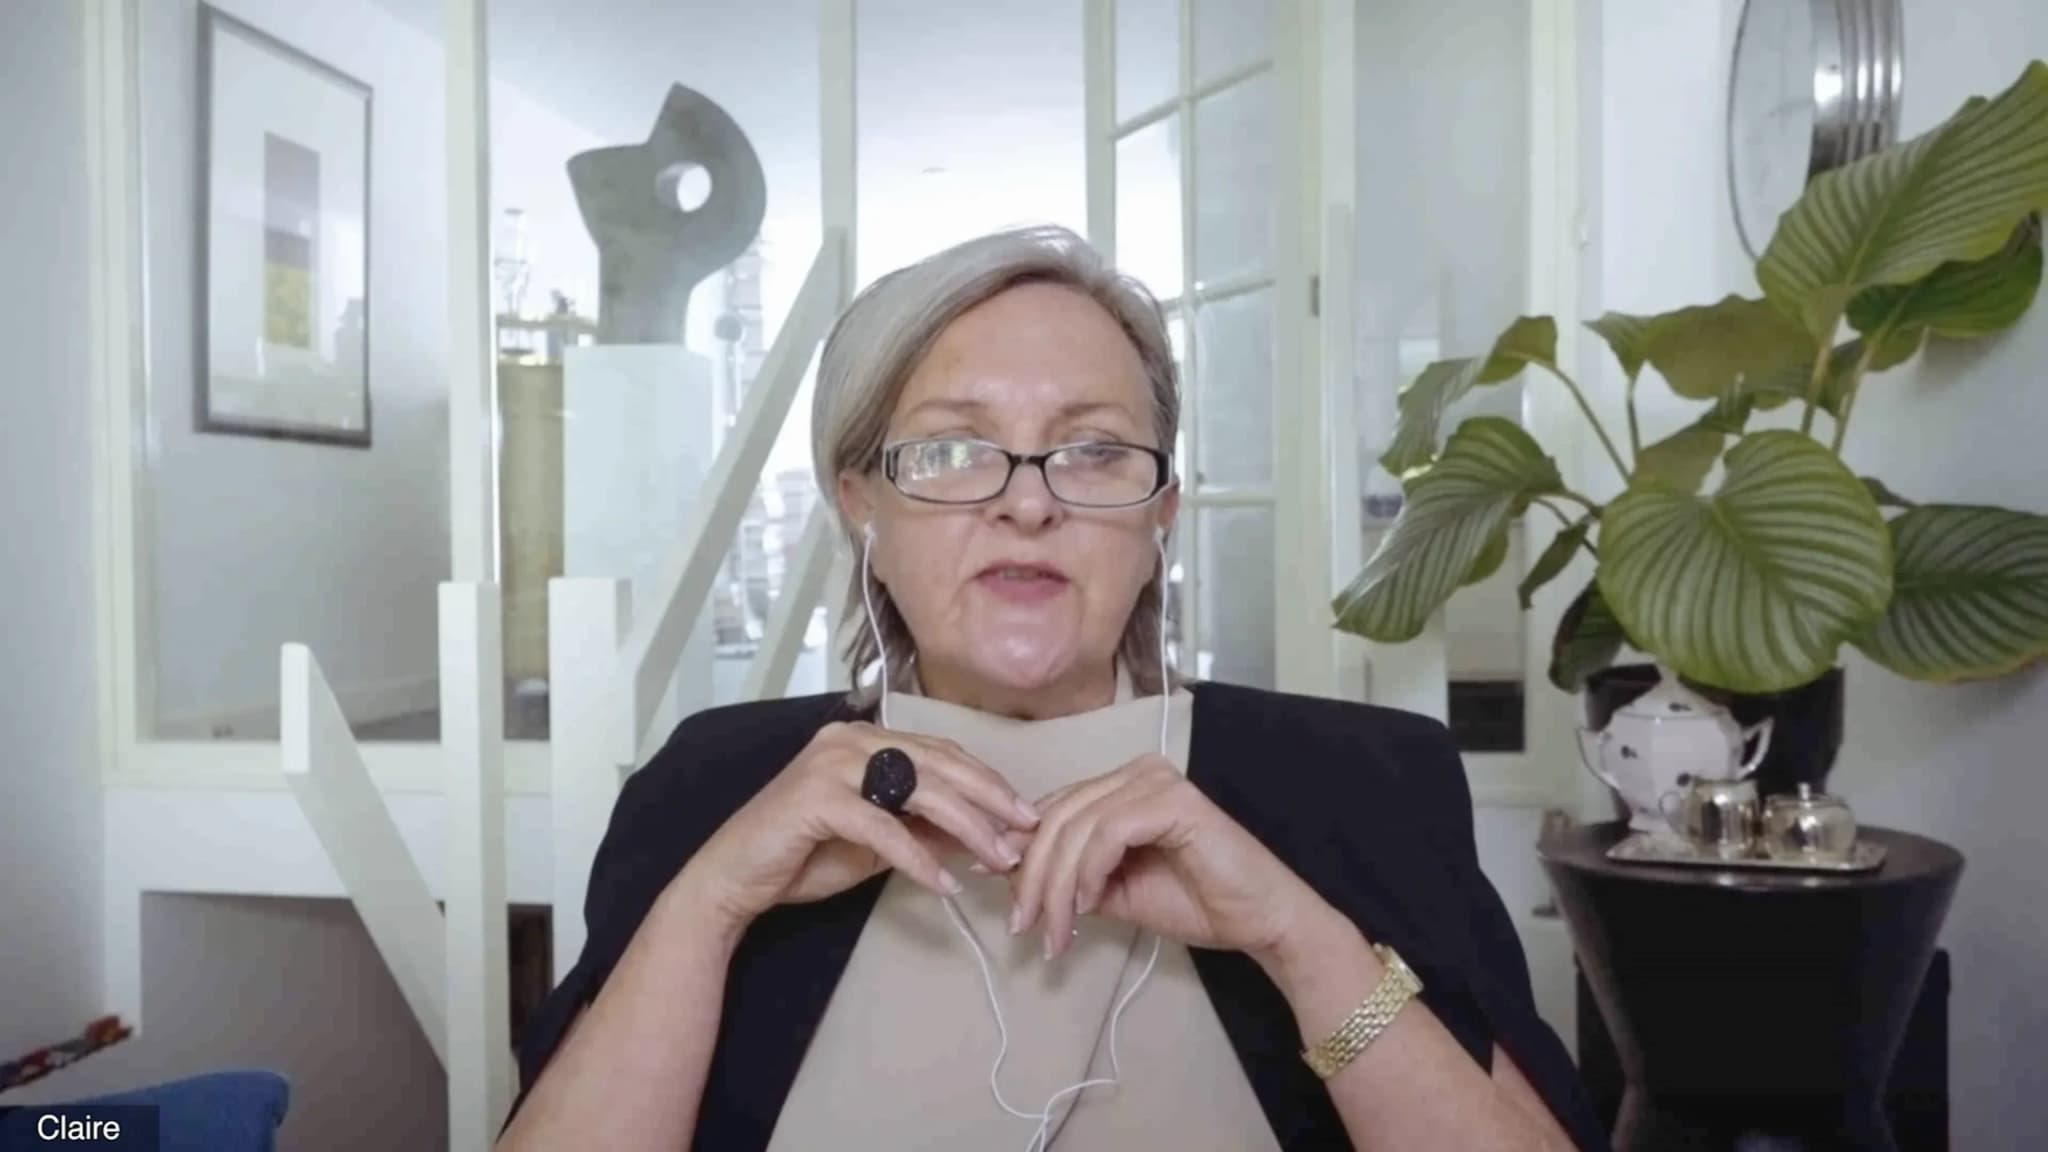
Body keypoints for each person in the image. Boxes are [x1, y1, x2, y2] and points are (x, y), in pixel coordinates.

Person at [498, 225, 1606, 1151]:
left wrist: (1295, 937)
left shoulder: (1357, 783)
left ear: (1158, 518)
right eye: (948, 451)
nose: (1026, 504)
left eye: (1092, 452)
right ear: (859, 507)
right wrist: (709, 906)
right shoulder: (715, 783)